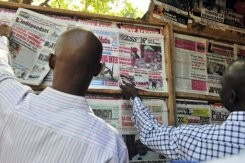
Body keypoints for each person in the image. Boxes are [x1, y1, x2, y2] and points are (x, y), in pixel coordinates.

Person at [0, 24, 128, 162]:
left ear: (51, 61)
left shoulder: (12, 103)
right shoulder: (111, 145)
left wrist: (3, 37)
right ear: (98, 69)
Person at [120, 58, 245, 162]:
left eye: (222, 85)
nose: (219, 90)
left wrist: (134, 97)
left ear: (231, 96)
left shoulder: (197, 139)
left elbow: (151, 132)